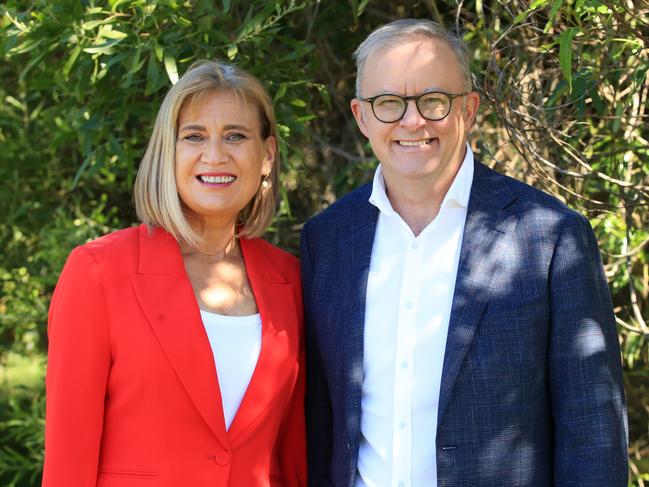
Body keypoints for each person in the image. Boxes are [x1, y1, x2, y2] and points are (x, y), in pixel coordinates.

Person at [301, 18, 627, 487]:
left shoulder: (551, 236)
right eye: (388, 103)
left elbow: (593, 435)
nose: (412, 122)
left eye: (433, 101)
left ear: (468, 109)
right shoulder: (327, 241)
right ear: (362, 116)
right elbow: (321, 422)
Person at [43, 60, 306, 487]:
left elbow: (293, 457)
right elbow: (68, 459)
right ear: (170, 152)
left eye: (235, 136)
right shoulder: (98, 272)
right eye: (194, 137)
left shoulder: (291, 280)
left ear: (267, 155)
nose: (215, 155)